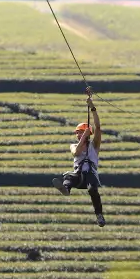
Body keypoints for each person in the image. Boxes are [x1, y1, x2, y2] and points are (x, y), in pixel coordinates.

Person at [52, 95, 105, 227]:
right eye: (77, 133)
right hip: (79, 175)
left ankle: (99, 214)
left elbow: (98, 127)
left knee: (93, 190)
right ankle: (65, 189)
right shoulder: (74, 146)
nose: (78, 135)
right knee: (69, 176)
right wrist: (84, 137)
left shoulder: (94, 146)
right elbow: (76, 152)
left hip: (90, 175)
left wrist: (92, 107)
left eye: (80, 133)